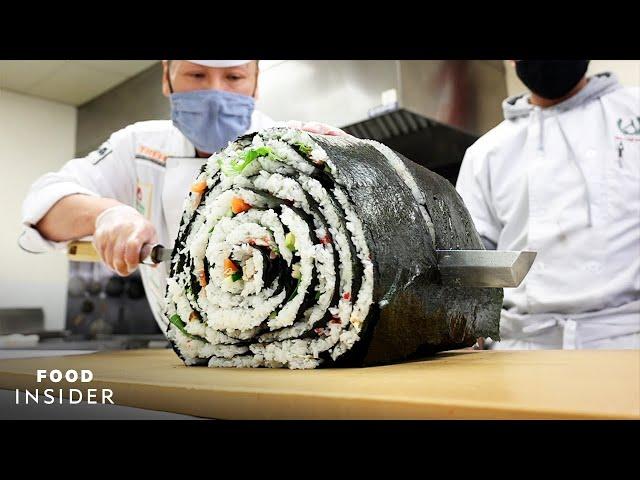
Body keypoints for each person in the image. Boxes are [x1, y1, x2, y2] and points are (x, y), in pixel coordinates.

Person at [20, 59, 342, 332]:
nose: (216, 94)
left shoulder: (291, 147)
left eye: (234, 77)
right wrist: (105, 214)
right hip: (181, 348)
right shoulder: (139, 147)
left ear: (256, 82)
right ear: (166, 76)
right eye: (196, 75)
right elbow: (45, 204)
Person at [456, 60, 640, 349]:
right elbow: (472, 269)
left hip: (626, 342)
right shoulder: (485, 153)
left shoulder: (633, 111)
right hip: (520, 349)